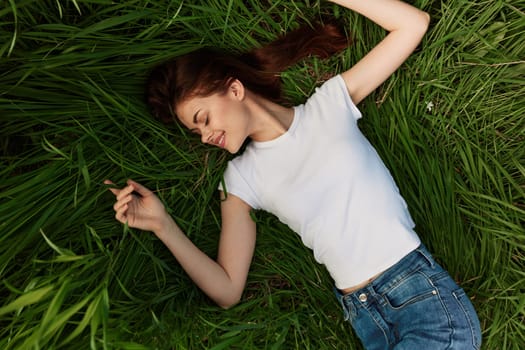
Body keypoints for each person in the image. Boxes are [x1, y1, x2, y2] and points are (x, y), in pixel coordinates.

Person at [105, 0, 482, 348]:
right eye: (196, 132)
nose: (206, 136)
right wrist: (163, 226)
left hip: (423, 300)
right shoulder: (240, 180)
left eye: (203, 119)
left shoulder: (329, 106)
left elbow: (412, 24)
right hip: (367, 317)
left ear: (234, 89)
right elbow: (227, 289)